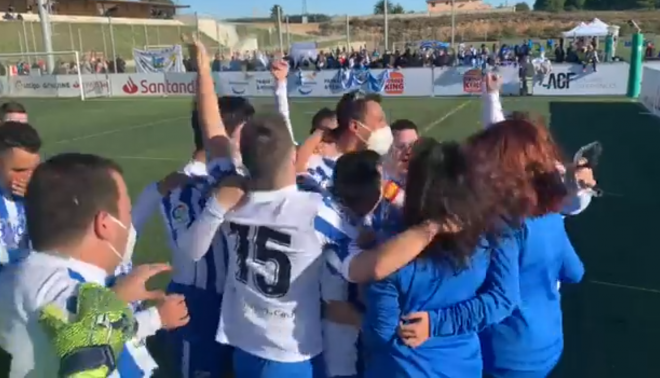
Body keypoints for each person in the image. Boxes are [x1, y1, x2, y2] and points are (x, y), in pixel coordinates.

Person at [0, 153, 189, 377]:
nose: (130, 224)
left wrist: (127, 306)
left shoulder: (20, 270)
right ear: (105, 225)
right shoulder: (71, 292)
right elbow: (90, 356)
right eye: (127, 213)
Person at [362, 139, 520, 377]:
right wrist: (440, 323)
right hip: (461, 367)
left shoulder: (391, 248)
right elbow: (504, 299)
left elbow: (380, 334)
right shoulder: (492, 234)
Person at [467, 119, 585, 378]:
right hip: (549, 344)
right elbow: (575, 272)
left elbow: (500, 299)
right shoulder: (551, 216)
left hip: (504, 354)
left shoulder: (502, 225)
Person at [0, 122, 41, 267]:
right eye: (19, 170)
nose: (29, 177)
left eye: (34, 169)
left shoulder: (44, 192)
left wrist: (39, 201)